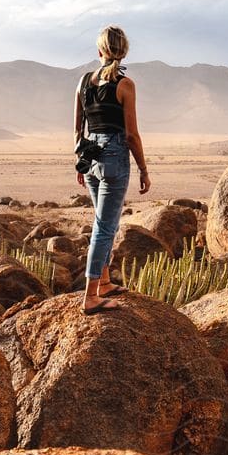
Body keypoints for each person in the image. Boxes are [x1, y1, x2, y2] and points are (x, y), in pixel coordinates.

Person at [74, 24, 150, 313]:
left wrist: (80, 163)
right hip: (114, 156)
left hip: (90, 156)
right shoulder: (124, 85)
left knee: (103, 223)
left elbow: (78, 129)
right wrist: (143, 169)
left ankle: (104, 282)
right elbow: (131, 135)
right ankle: (91, 296)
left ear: (100, 51)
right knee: (104, 228)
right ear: (124, 50)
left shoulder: (83, 82)